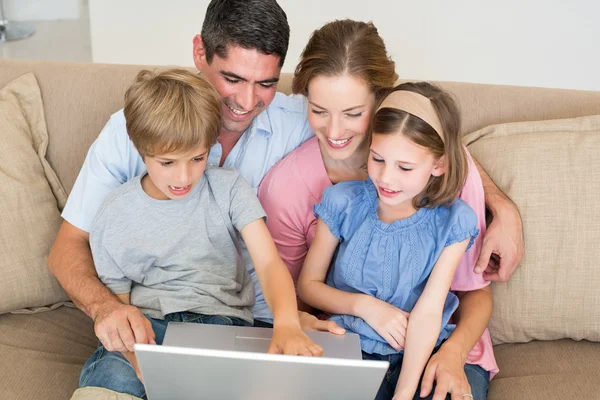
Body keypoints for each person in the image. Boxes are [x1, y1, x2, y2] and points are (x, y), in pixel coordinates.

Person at [48, 0, 519, 386]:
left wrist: (499, 205)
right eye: (232, 78)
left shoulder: (299, 118)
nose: (247, 102)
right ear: (200, 52)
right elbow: (70, 245)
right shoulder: (133, 132)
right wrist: (106, 307)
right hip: (175, 316)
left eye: (266, 83)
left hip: (266, 326)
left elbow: (424, 136)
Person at [259, 20, 496, 399]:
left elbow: (468, 295)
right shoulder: (308, 191)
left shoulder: (446, 189)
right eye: (319, 110)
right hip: (351, 341)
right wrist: (306, 320)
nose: (334, 129)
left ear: (382, 101)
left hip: (438, 347)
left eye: (352, 113)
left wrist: (452, 353)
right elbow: (294, 292)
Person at [79, 69, 322, 397]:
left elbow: (267, 263)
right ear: (140, 149)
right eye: (168, 162)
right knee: (111, 379)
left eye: (197, 158)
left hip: (221, 325)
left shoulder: (230, 189)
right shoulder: (114, 215)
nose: (184, 176)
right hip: (148, 327)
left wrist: (287, 323)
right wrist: (139, 361)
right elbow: (121, 312)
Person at [298, 82, 485, 400]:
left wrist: (404, 393)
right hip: (351, 344)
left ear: (438, 165)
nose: (386, 178)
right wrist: (365, 307)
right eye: (378, 159)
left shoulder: (454, 221)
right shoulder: (343, 203)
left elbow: (428, 312)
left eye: (405, 167)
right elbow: (308, 286)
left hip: (422, 353)